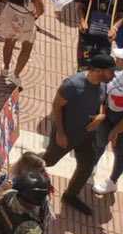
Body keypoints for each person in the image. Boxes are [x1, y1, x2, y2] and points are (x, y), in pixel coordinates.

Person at [41, 54, 116, 214]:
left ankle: (70, 195)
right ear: (98, 70)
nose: (114, 75)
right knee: (48, 161)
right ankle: (25, 165)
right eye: (110, 72)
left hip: (86, 137)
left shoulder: (102, 85)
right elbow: (56, 106)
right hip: (67, 134)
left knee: (86, 166)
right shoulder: (72, 85)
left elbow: (102, 103)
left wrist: (101, 116)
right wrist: (60, 133)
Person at [0, 0, 45, 89]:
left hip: (10, 16)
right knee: (26, 48)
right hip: (26, 21)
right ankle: (15, 75)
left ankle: (5, 68)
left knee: (8, 43)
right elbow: (41, 11)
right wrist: (35, 16)